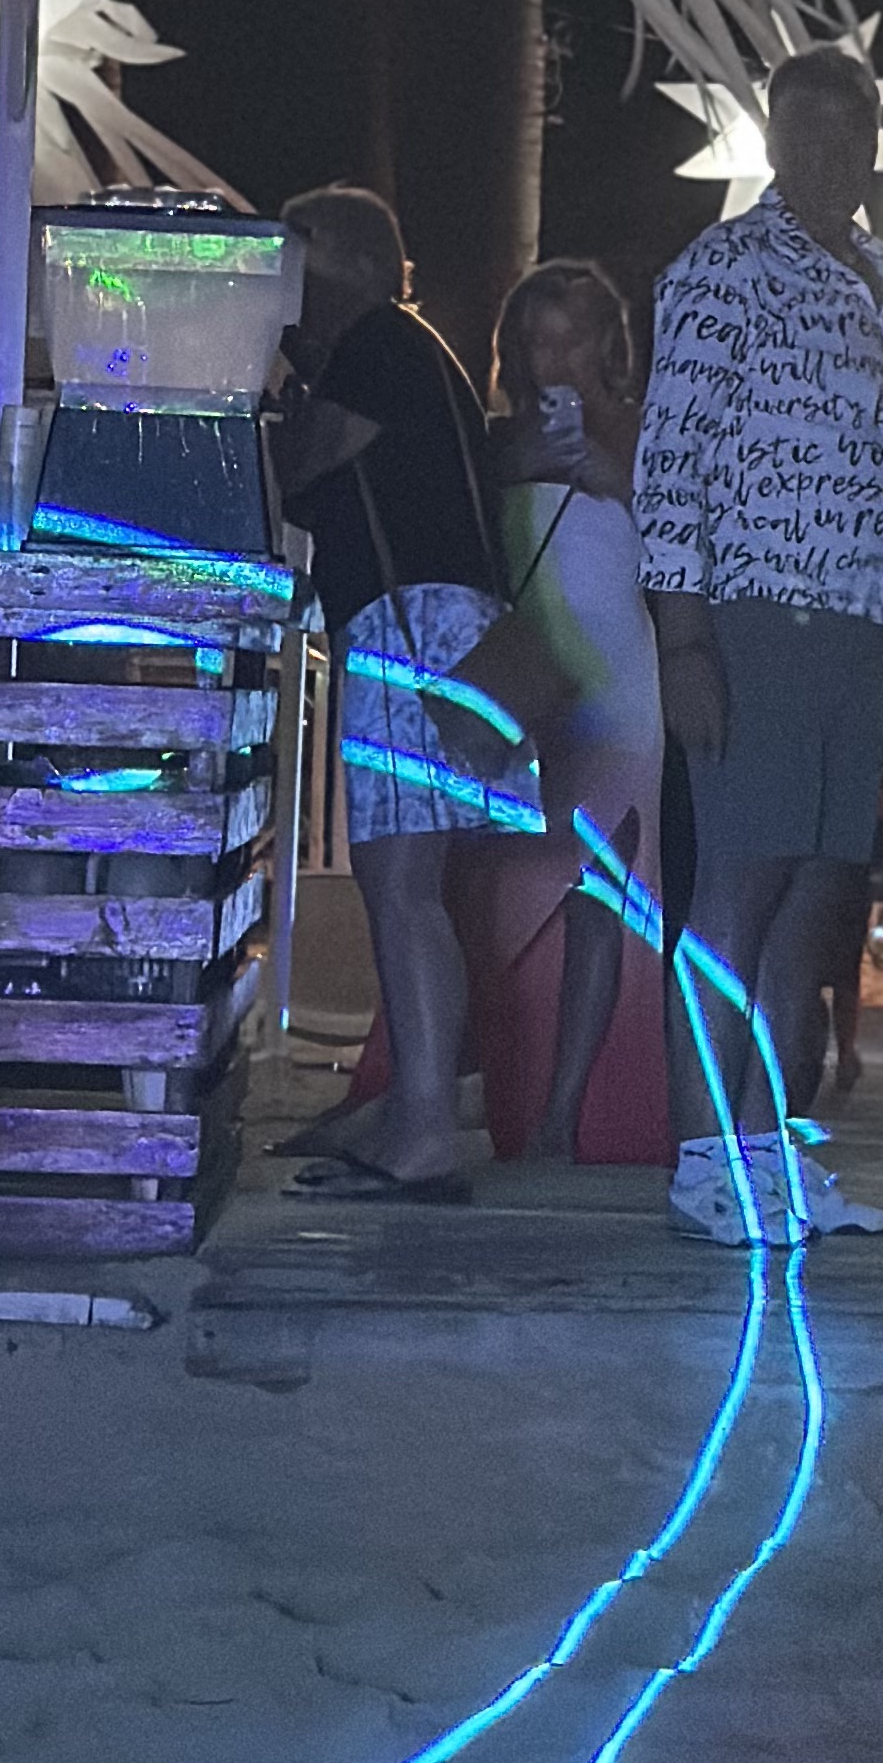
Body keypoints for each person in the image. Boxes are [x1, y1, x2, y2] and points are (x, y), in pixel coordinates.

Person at [633, 41, 883, 1244]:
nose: (827, 155)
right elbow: (670, 459)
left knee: (815, 900)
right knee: (740, 883)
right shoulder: (723, 269)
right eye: (803, 132)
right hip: (756, 610)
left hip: (855, 623)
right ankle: (703, 1160)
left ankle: (767, 1154)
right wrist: (685, 638)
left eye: (848, 136)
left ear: (873, 146)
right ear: (769, 139)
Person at [272, 183, 509, 1206]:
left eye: (302, 264)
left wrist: (275, 400)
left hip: (410, 627)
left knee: (402, 889)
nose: (287, 291)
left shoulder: (376, 343)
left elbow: (301, 466)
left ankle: (424, 1131)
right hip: (437, 626)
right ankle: (422, 1110)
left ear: (357, 266)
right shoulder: (411, 348)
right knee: (412, 888)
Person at [468, 261, 669, 1167]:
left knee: (597, 893)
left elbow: (685, 551)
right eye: (536, 341)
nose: (554, 360)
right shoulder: (496, 442)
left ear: (607, 344)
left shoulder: (647, 434)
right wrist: (513, 469)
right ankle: (493, 1092)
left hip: (618, 689)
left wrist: (615, 480)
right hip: (523, 682)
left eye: (573, 339)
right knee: (498, 889)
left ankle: (562, 1113)